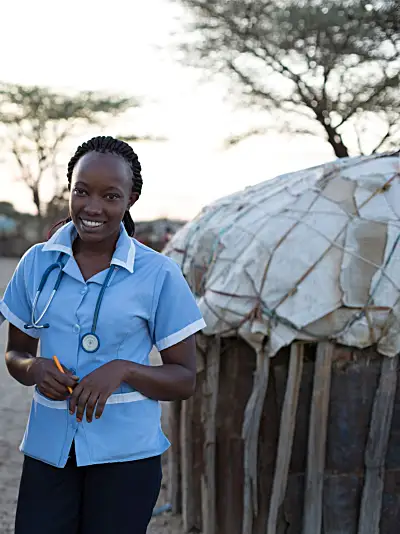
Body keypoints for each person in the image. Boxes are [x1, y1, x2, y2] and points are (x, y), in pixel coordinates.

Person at [0, 136, 206, 534]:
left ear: (132, 198)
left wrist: (125, 370)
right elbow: (15, 355)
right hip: (48, 452)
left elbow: (184, 379)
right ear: (70, 191)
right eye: (82, 191)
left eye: (110, 196)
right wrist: (34, 368)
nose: (93, 207)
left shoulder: (158, 274)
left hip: (126, 458)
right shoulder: (36, 264)